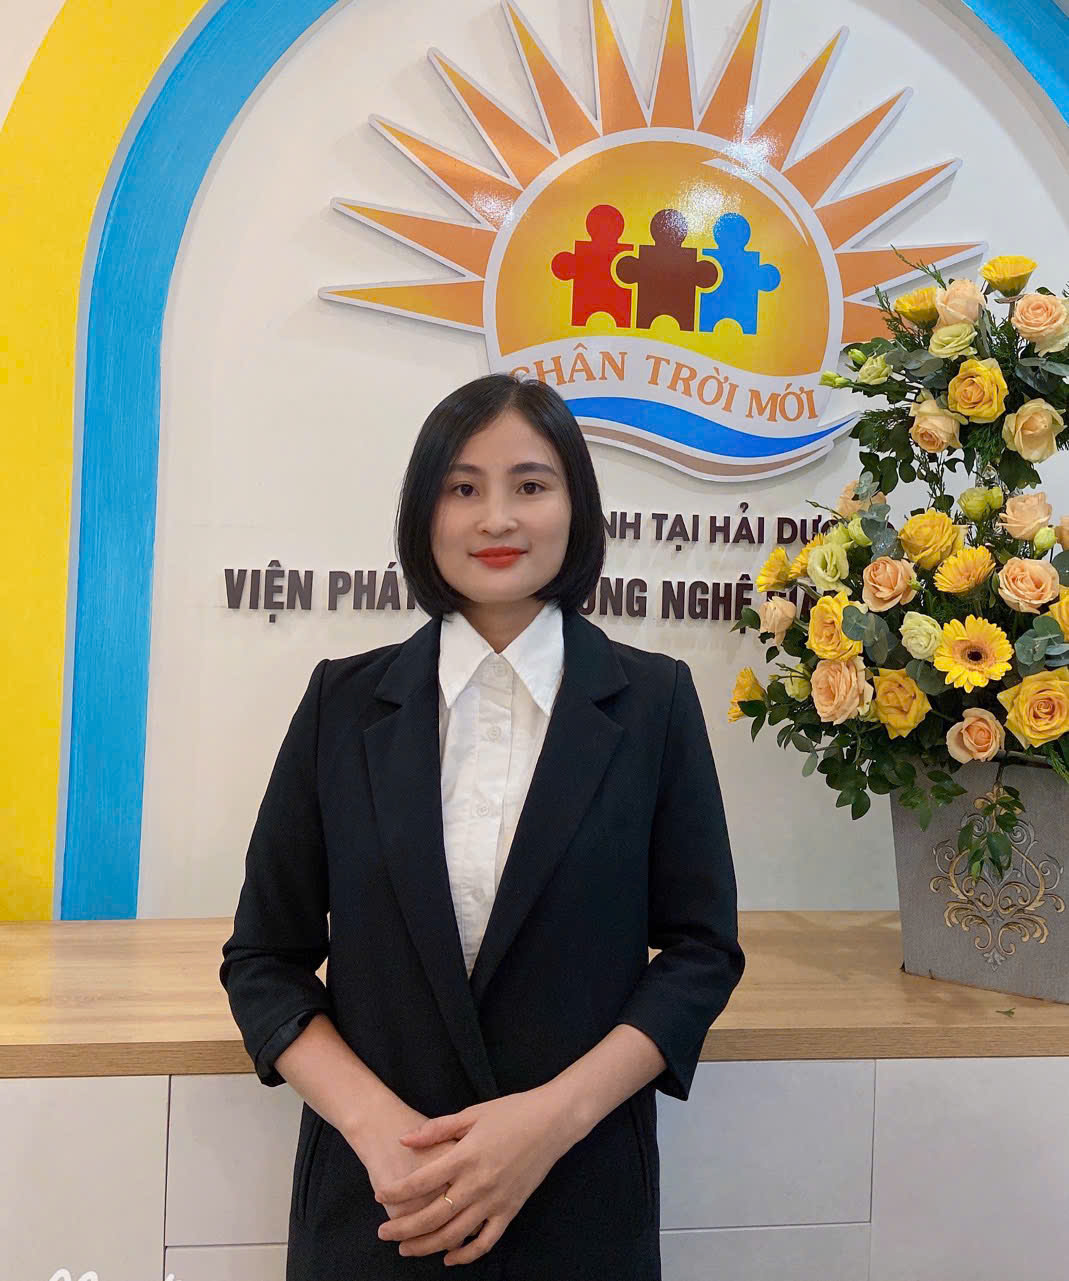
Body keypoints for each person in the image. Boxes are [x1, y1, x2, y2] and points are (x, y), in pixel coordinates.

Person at [219, 372, 745, 1280]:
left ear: (575, 508)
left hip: (578, 1199)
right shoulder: (341, 702)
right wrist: (378, 1130)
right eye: (462, 488)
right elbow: (264, 960)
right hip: (380, 1204)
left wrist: (550, 1120)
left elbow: (701, 953)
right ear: (422, 514)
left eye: (530, 485)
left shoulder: (654, 702)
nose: (496, 517)